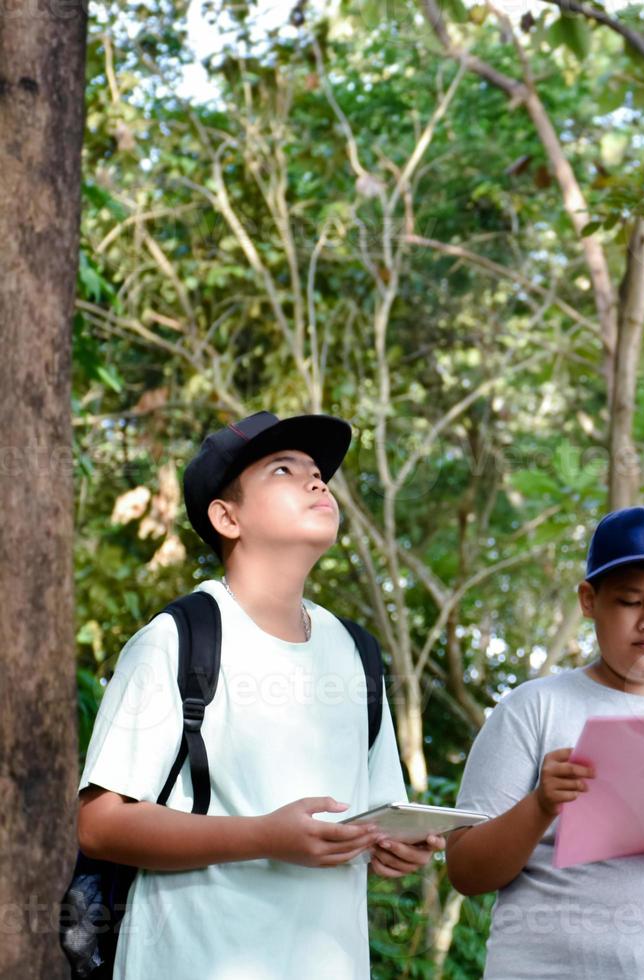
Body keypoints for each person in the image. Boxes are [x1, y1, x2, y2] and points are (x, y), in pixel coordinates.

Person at [76, 411, 440, 980]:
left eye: (318, 472)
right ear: (227, 516)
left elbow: (368, 821)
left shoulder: (359, 653)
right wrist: (264, 837)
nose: (317, 482)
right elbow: (100, 824)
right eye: (283, 470)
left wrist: (391, 847)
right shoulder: (179, 638)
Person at [447, 505, 644, 979]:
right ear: (588, 600)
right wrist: (541, 804)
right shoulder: (535, 707)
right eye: (628, 601)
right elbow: (465, 871)